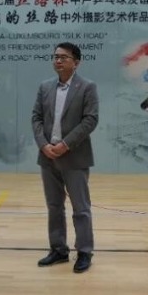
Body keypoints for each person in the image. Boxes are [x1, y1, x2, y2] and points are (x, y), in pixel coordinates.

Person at [31, 42, 99, 274]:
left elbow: (90, 120)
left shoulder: (87, 87)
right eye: (56, 56)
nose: (58, 60)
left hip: (74, 156)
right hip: (48, 156)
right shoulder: (45, 87)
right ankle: (58, 249)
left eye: (64, 57)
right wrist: (43, 145)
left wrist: (65, 144)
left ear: (76, 62)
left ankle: (84, 251)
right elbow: (36, 117)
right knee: (54, 206)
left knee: (81, 208)